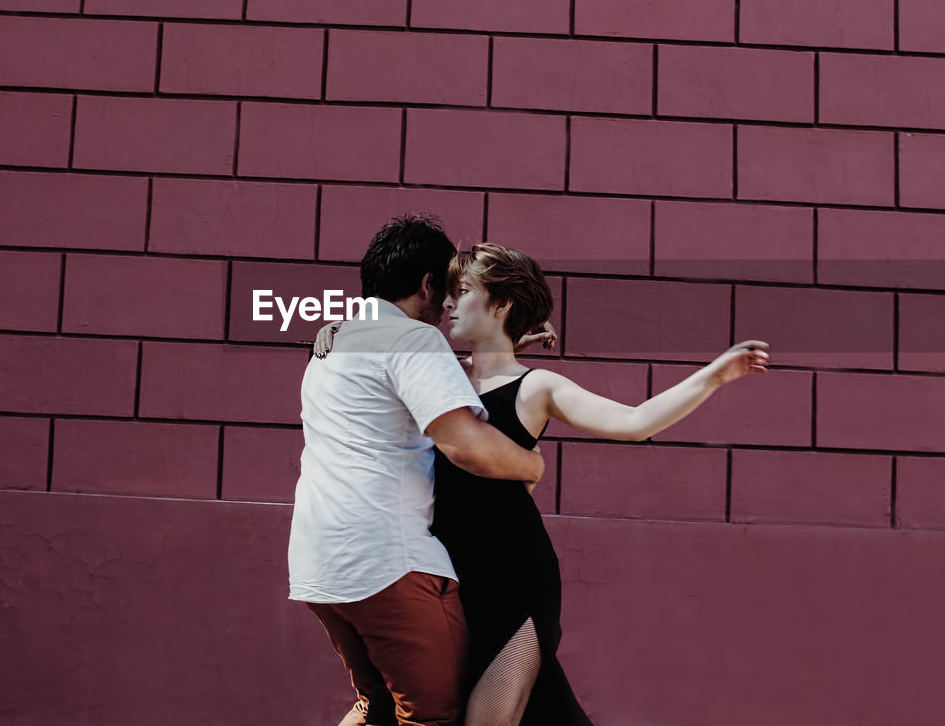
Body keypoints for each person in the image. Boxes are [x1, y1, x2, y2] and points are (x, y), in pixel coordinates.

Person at [315, 242, 771, 726]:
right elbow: (381, 354)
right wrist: (336, 328)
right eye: (446, 293)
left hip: (517, 585)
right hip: (449, 585)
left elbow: (635, 421)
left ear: (501, 304)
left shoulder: (538, 387)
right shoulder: (438, 370)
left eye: (463, 291)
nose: (447, 304)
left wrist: (715, 376)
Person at [289, 217, 547, 726]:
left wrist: (506, 348)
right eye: (447, 289)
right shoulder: (413, 340)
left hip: (318, 566)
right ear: (427, 284)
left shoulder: (334, 340)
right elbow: (465, 446)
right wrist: (530, 463)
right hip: (389, 561)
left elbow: (410, 388)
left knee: (377, 705)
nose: (449, 304)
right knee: (431, 716)